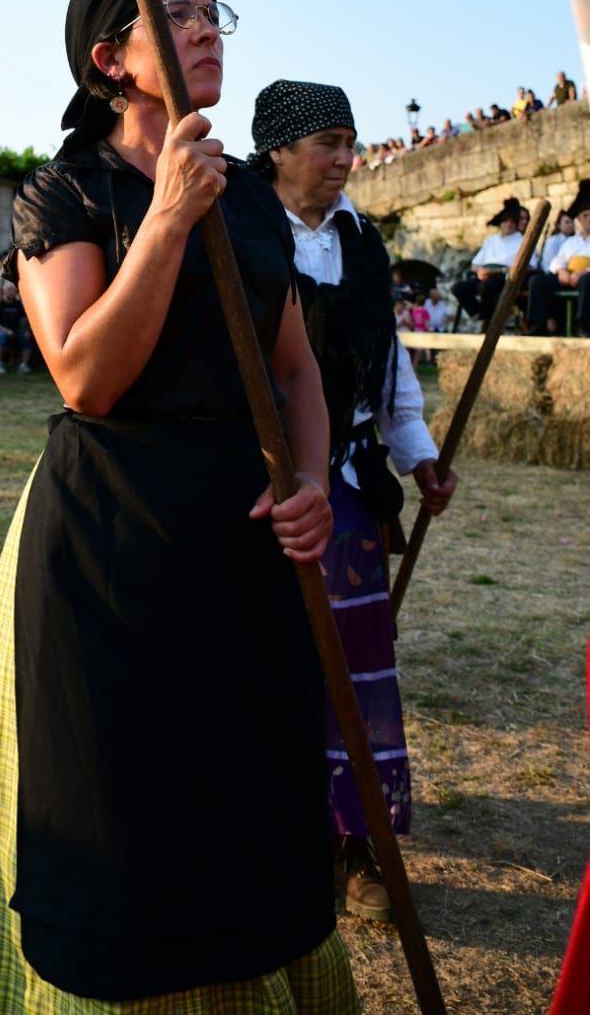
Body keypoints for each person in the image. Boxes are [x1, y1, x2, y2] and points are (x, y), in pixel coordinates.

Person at [0, 0, 357, 1014]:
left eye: (213, 14)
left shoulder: (252, 197)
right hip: (112, 537)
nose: (206, 31)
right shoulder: (63, 193)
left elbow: (293, 366)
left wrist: (308, 481)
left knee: (245, 792)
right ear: (110, 61)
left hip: (243, 539)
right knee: (126, 804)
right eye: (174, 17)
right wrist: (163, 219)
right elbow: (85, 374)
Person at [249, 78, 458, 924]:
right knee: (261, 652)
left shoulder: (361, 238)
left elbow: (386, 362)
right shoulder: (238, 225)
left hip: (347, 478)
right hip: (257, 478)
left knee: (353, 659)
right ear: (278, 149)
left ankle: (351, 839)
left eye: (351, 141)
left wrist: (421, 458)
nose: (345, 159)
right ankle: (261, 827)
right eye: (328, 141)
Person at [452, 198, 534, 329]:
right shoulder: (491, 241)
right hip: (484, 274)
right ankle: (478, 313)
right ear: (500, 224)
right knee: (459, 287)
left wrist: (499, 271)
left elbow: (529, 266)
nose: (508, 225)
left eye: (512, 222)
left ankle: (487, 319)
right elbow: (475, 264)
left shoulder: (522, 241)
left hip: (504, 277)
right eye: (505, 221)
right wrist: (480, 271)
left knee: (487, 287)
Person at [527, 201, 590, 336]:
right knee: (537, 281)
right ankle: (539, 324)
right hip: (568, 277)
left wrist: (584, 271)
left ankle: (582, 325)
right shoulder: (571, 241)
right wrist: (562, 272)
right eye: (585, 215)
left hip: (585, 278)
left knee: (587, 280)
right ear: (579, 220)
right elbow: (558, 260)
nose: (588, 219)